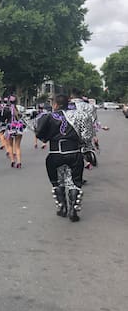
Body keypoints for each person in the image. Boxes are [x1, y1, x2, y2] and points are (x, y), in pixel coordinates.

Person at [36, 94, 93, 222]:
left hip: (55, 154)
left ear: (55, 104)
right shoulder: (80, 115)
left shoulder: (48, 117)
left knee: (58, 182)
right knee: (74, 182)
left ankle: (62, 208)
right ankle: (73, 210)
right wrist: (86, 149)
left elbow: (40, 134)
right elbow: (87, 136)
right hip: (74, 152)